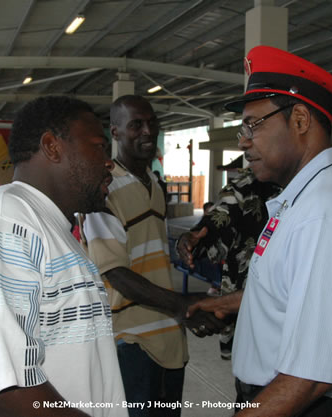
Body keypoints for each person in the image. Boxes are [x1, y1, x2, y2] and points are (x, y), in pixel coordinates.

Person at [187, 45, 332, 417]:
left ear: (299, 120)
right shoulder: (303, 199)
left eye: (253, 124)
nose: (243, 140)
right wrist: (226, 303)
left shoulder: (325, 215)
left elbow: (309, 377)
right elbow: (290, 289)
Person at [0, 96, 127, 416]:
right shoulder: (2, 222)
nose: (109, 162)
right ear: (52, 146)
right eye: (98, 146)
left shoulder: (44, 225)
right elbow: (4, 386)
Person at [81, 95, 224, 416]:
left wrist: (179, 242)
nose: (147, 131)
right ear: (115, 132)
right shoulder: (104, 189)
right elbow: (115, 273)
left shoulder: (154, 184)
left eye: (152, 123)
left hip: (169, 335)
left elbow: (145, 247)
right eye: (136, 125)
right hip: (131, 339)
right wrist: (185, 306)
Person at [177, 168, 280, 359]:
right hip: (245, 318)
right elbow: (220, 219)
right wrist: (195, 238)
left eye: (255, 135)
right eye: (244, 135)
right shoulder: (248, 184)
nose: (244, 143)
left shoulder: (319, 190)